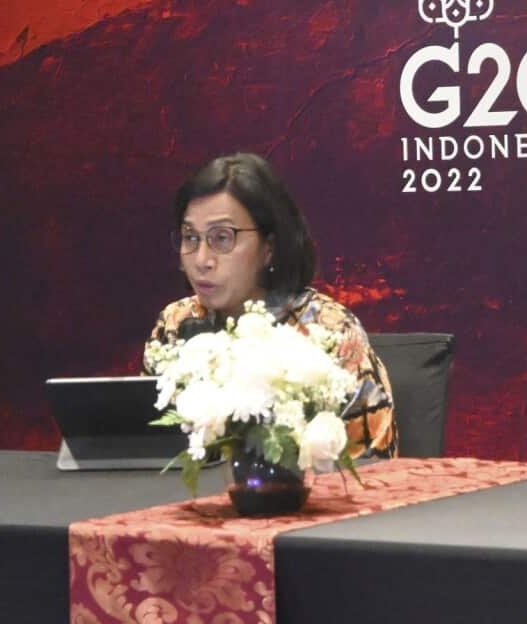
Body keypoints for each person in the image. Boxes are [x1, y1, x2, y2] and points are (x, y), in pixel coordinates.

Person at [143, 152, 397, 459]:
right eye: (190, 237)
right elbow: (145, 447)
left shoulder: (329, 330)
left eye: (221, 238)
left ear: (269, 247)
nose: (202, 260)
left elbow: (375, 462)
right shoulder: (176, 323)